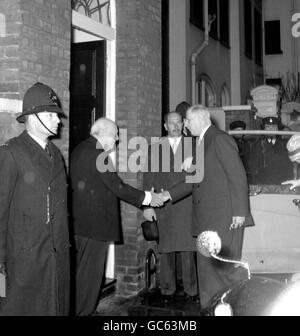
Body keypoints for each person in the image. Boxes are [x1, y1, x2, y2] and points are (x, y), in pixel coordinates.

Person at [160, 105, 254, 309]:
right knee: (208, 272)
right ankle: (211, 309)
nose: (185, 124)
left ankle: (232, 309)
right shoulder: (201, 142)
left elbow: (237, 176)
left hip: (224, 218)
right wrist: (168, 194)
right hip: (207, 219)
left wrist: (239, 213)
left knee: (224, 270)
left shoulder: (219, 139)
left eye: (187, 120)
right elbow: (194, 180)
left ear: (201, 119)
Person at [70, 117, 165, 316]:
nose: (117, 139)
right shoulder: (98, 154)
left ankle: (80, 309)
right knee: (90, 275)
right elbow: (118, 187)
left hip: (81, 225)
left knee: (82, 273)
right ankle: (84, 312)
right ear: (102, 133)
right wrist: (148, 197)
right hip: (95, 227)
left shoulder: (80, 149)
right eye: (115, 135)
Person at [0, 82, 70, 316]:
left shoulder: (56, 155)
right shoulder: (11, 153)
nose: (58, 121)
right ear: (33, 116)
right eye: (52, 115)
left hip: (57, 258)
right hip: (26, 262)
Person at [143, 111, 198, 303]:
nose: (175, 126)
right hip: (163, 205)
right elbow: (148, 177)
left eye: (178, 123)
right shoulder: (155, 148)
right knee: (166, 249)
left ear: (183, 124)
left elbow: (197, 178)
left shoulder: (194, 146)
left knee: (187, 249)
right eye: (171, 123)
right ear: (165, 126)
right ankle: (167, 290)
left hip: (187, 204)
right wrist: (147, 206)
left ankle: (191, 290)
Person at [253, 116, 294, 185]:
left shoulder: (285, 144)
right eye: (268, 127)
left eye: (274, 126)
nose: (271, 129)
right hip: (263, 182)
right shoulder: (258, 144)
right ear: (263, 129)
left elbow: (288, 166)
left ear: (278, 129)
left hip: (281, 182)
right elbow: (254, 166)